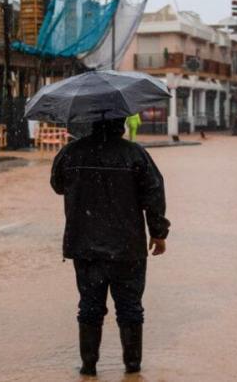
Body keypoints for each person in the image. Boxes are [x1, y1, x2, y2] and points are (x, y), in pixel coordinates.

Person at [50, 118, 170, 376]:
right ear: (122, 123)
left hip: (85, 245)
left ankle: (89, 367)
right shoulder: (135, 154)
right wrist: (158, 233)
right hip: (127, 248)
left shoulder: (71, 153)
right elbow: (154, 192)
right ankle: (133, 368)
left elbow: (57, 185)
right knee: (130, 307)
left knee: (90, 306)